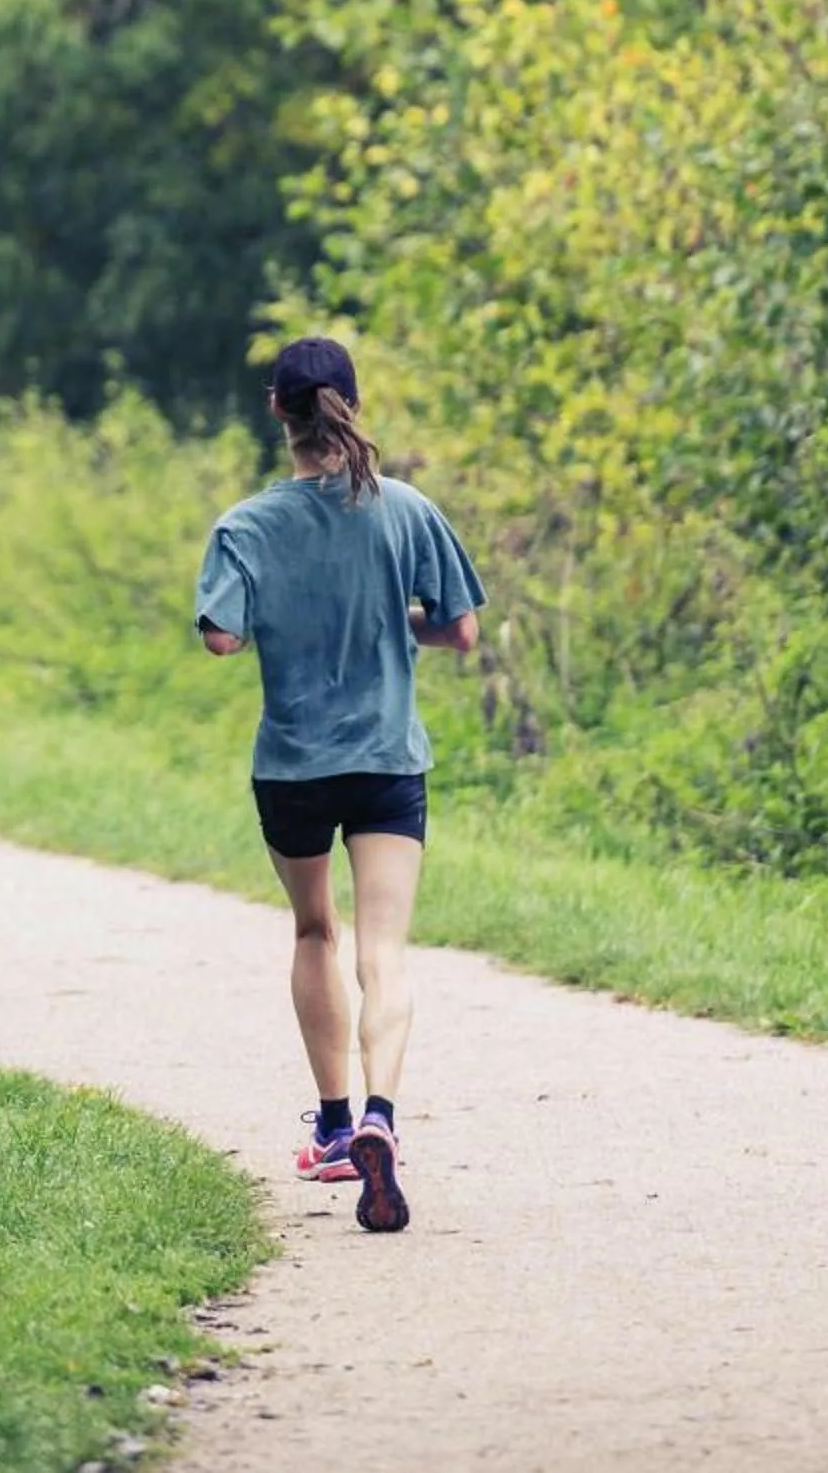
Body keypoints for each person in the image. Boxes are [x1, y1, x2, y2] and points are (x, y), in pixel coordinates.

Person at [194, 336, 483, 1234]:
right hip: (389, 760)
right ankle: (380, 1118)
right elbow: (461, 633)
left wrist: (292, 613)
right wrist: (392, 621)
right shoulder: (406, 510)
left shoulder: (246, 526)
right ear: (351, 403)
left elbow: (221, 639)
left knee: (316, 929)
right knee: (384, 948)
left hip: (294, 766)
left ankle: (329, 1126)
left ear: (277, 410)